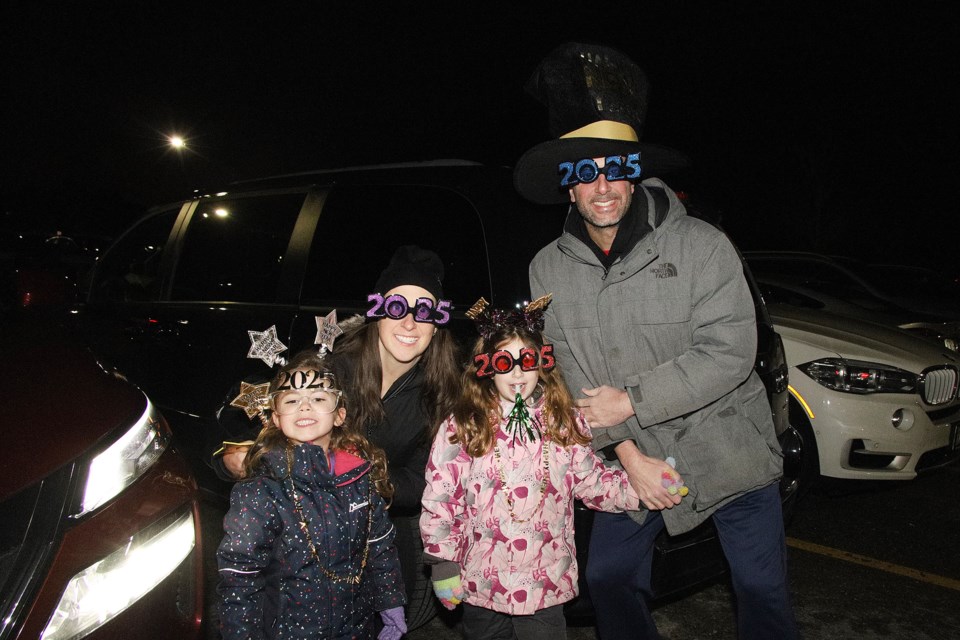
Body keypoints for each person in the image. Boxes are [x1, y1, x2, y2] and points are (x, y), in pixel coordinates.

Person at [515, 43, 798, 639]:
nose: (602, 187)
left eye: (615, 168)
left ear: (633, 172)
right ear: (567, 187)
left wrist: (633, 399)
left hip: (728, 451)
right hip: (635, 456)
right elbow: (567, 373)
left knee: (760, 591)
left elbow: (729, 352)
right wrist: (625, 453)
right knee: (609, 576)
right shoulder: (548, 269)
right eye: (584, 173)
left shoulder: (701, 245)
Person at [212, 245, 462, 623]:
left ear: (436, 322)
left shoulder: (442, 390)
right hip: (299, 527)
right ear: (377, 312)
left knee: (391, 609)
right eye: (397, 307)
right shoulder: (331, 366)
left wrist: (361, 477)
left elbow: (421, 481)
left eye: (423, 311)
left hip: (374, 523)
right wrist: (235, 456)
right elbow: (241, 427)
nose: (409, 324)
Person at [420, 296, 650, 640]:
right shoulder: (463, 426)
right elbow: (441, 497)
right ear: (487, 366)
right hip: (482, 579)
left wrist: (641, 489)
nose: (517, 372)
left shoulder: (563, 422)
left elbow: (592, 480)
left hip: (545, 583)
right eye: (504, 361)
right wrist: (442, 563)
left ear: (541, 363)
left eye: (526, 360)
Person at [217, 349, 407, 640]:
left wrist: (391, 602)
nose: (305, 406)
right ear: (275, 418)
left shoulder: (359, 477)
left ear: (340, 414)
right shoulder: (260, 490)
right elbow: (240, 576)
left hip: (356, 629)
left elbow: (380, 546)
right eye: (292, 400)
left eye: (318, 398)